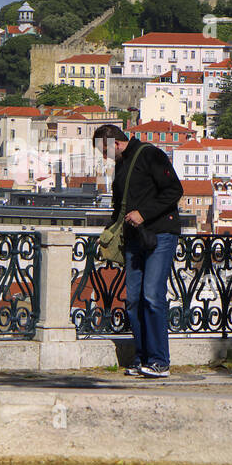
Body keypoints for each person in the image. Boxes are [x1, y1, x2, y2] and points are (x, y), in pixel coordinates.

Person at [92, 124, 184, 377]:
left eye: (104, 151)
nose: (104, 157)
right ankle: (142, 358)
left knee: (152, 296)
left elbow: (175, 190)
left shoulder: (150, 154)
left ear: (114, 143)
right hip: (135, 239)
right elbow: (120, 206)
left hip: (160, 235)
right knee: (133, 301)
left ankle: (159, 361)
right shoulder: (122, 164)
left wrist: (144, 214)